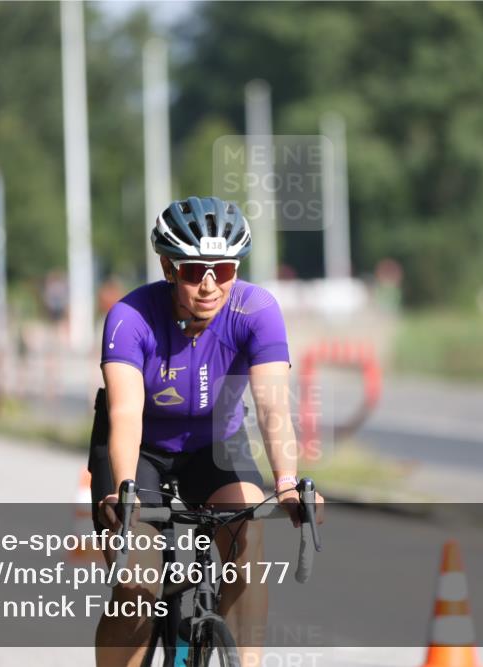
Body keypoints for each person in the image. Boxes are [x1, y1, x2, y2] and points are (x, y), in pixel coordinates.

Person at [91, 196, 323, 666]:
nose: (211, 284)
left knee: (246, 538)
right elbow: (126, 414)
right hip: (140, 450)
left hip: (217, 443)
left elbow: (273, 404)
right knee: (139, 583)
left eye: (224, 268)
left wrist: (285, 482)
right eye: (195, 271)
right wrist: (124, 490)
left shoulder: (257, 309)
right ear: (168, 267)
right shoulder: (131, 317)